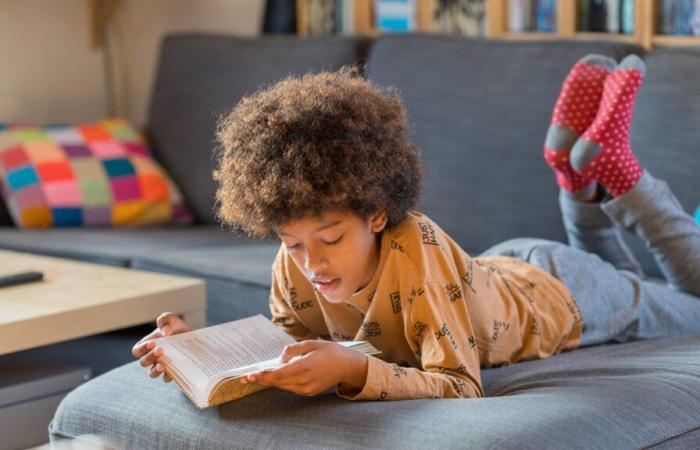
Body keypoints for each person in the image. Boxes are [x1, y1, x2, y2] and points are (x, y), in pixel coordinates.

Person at [132, 58, 700, 401]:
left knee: (692, 305)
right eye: (292, 243)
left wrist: (356, 369)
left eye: (331, 239)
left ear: (377, 214)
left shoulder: (414, 247)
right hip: (506, 269)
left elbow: (461, 386)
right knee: (640, 285)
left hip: (565, 294)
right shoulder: (297, 261)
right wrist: (196, 351)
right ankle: (577, 179)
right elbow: (287, 352)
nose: (312, 264)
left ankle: (620, 174)